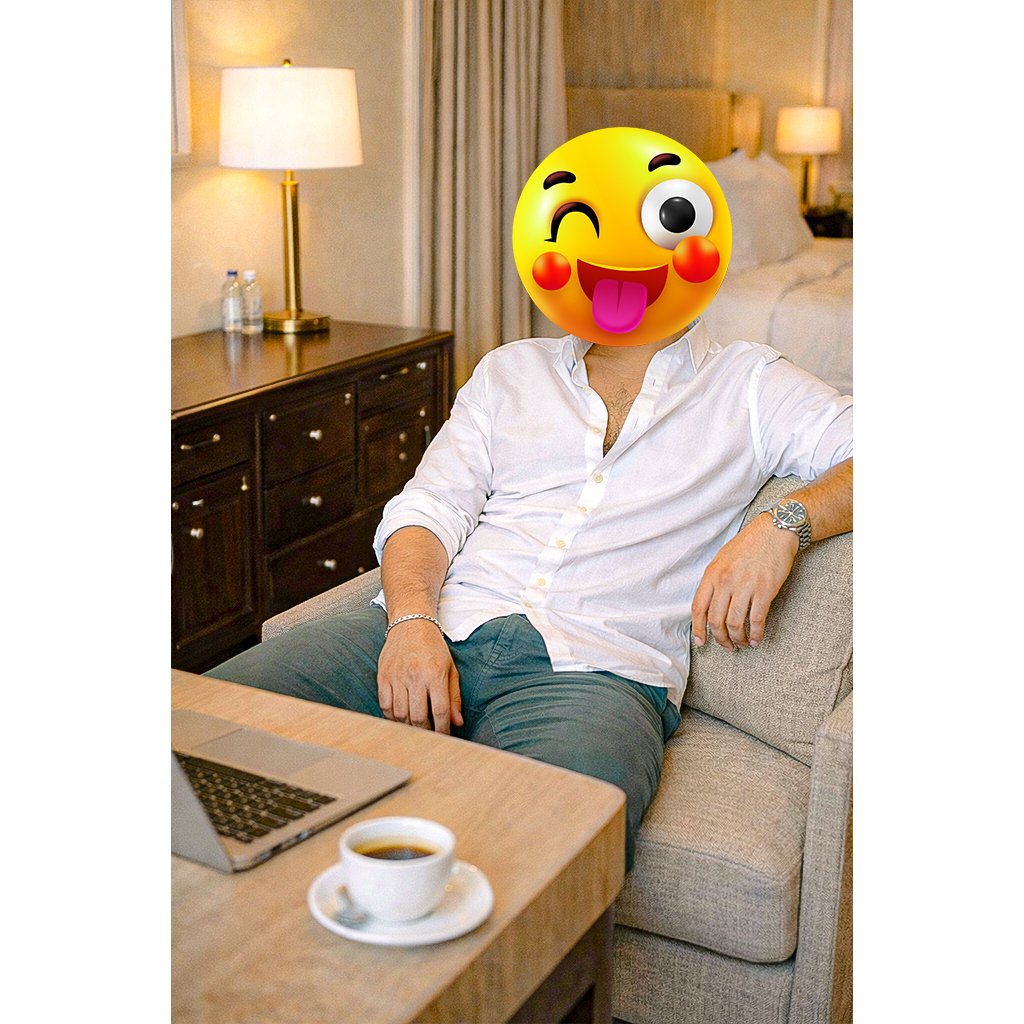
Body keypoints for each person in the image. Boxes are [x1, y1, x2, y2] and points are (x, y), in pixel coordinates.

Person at [206, 316, 852, 871]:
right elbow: (427, 510)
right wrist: (410, 622)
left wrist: (784, 524)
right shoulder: (509, 371)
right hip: (431, 624)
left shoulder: (750, 384)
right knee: (196, 730)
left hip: (596, 674)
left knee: (547, 852)